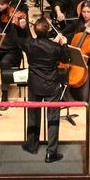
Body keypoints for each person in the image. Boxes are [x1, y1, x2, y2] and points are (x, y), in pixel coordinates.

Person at [22, 18, 70, 161]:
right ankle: (51, 153)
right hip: (51, 86)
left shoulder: (29, 44)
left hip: (34, 85)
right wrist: (64, 44)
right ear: (49, 30)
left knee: (33, 115)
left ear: (35, 31)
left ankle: (32, 145)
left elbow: (21, 39)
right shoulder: (55, 47)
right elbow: (67, 59)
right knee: (53, 118)